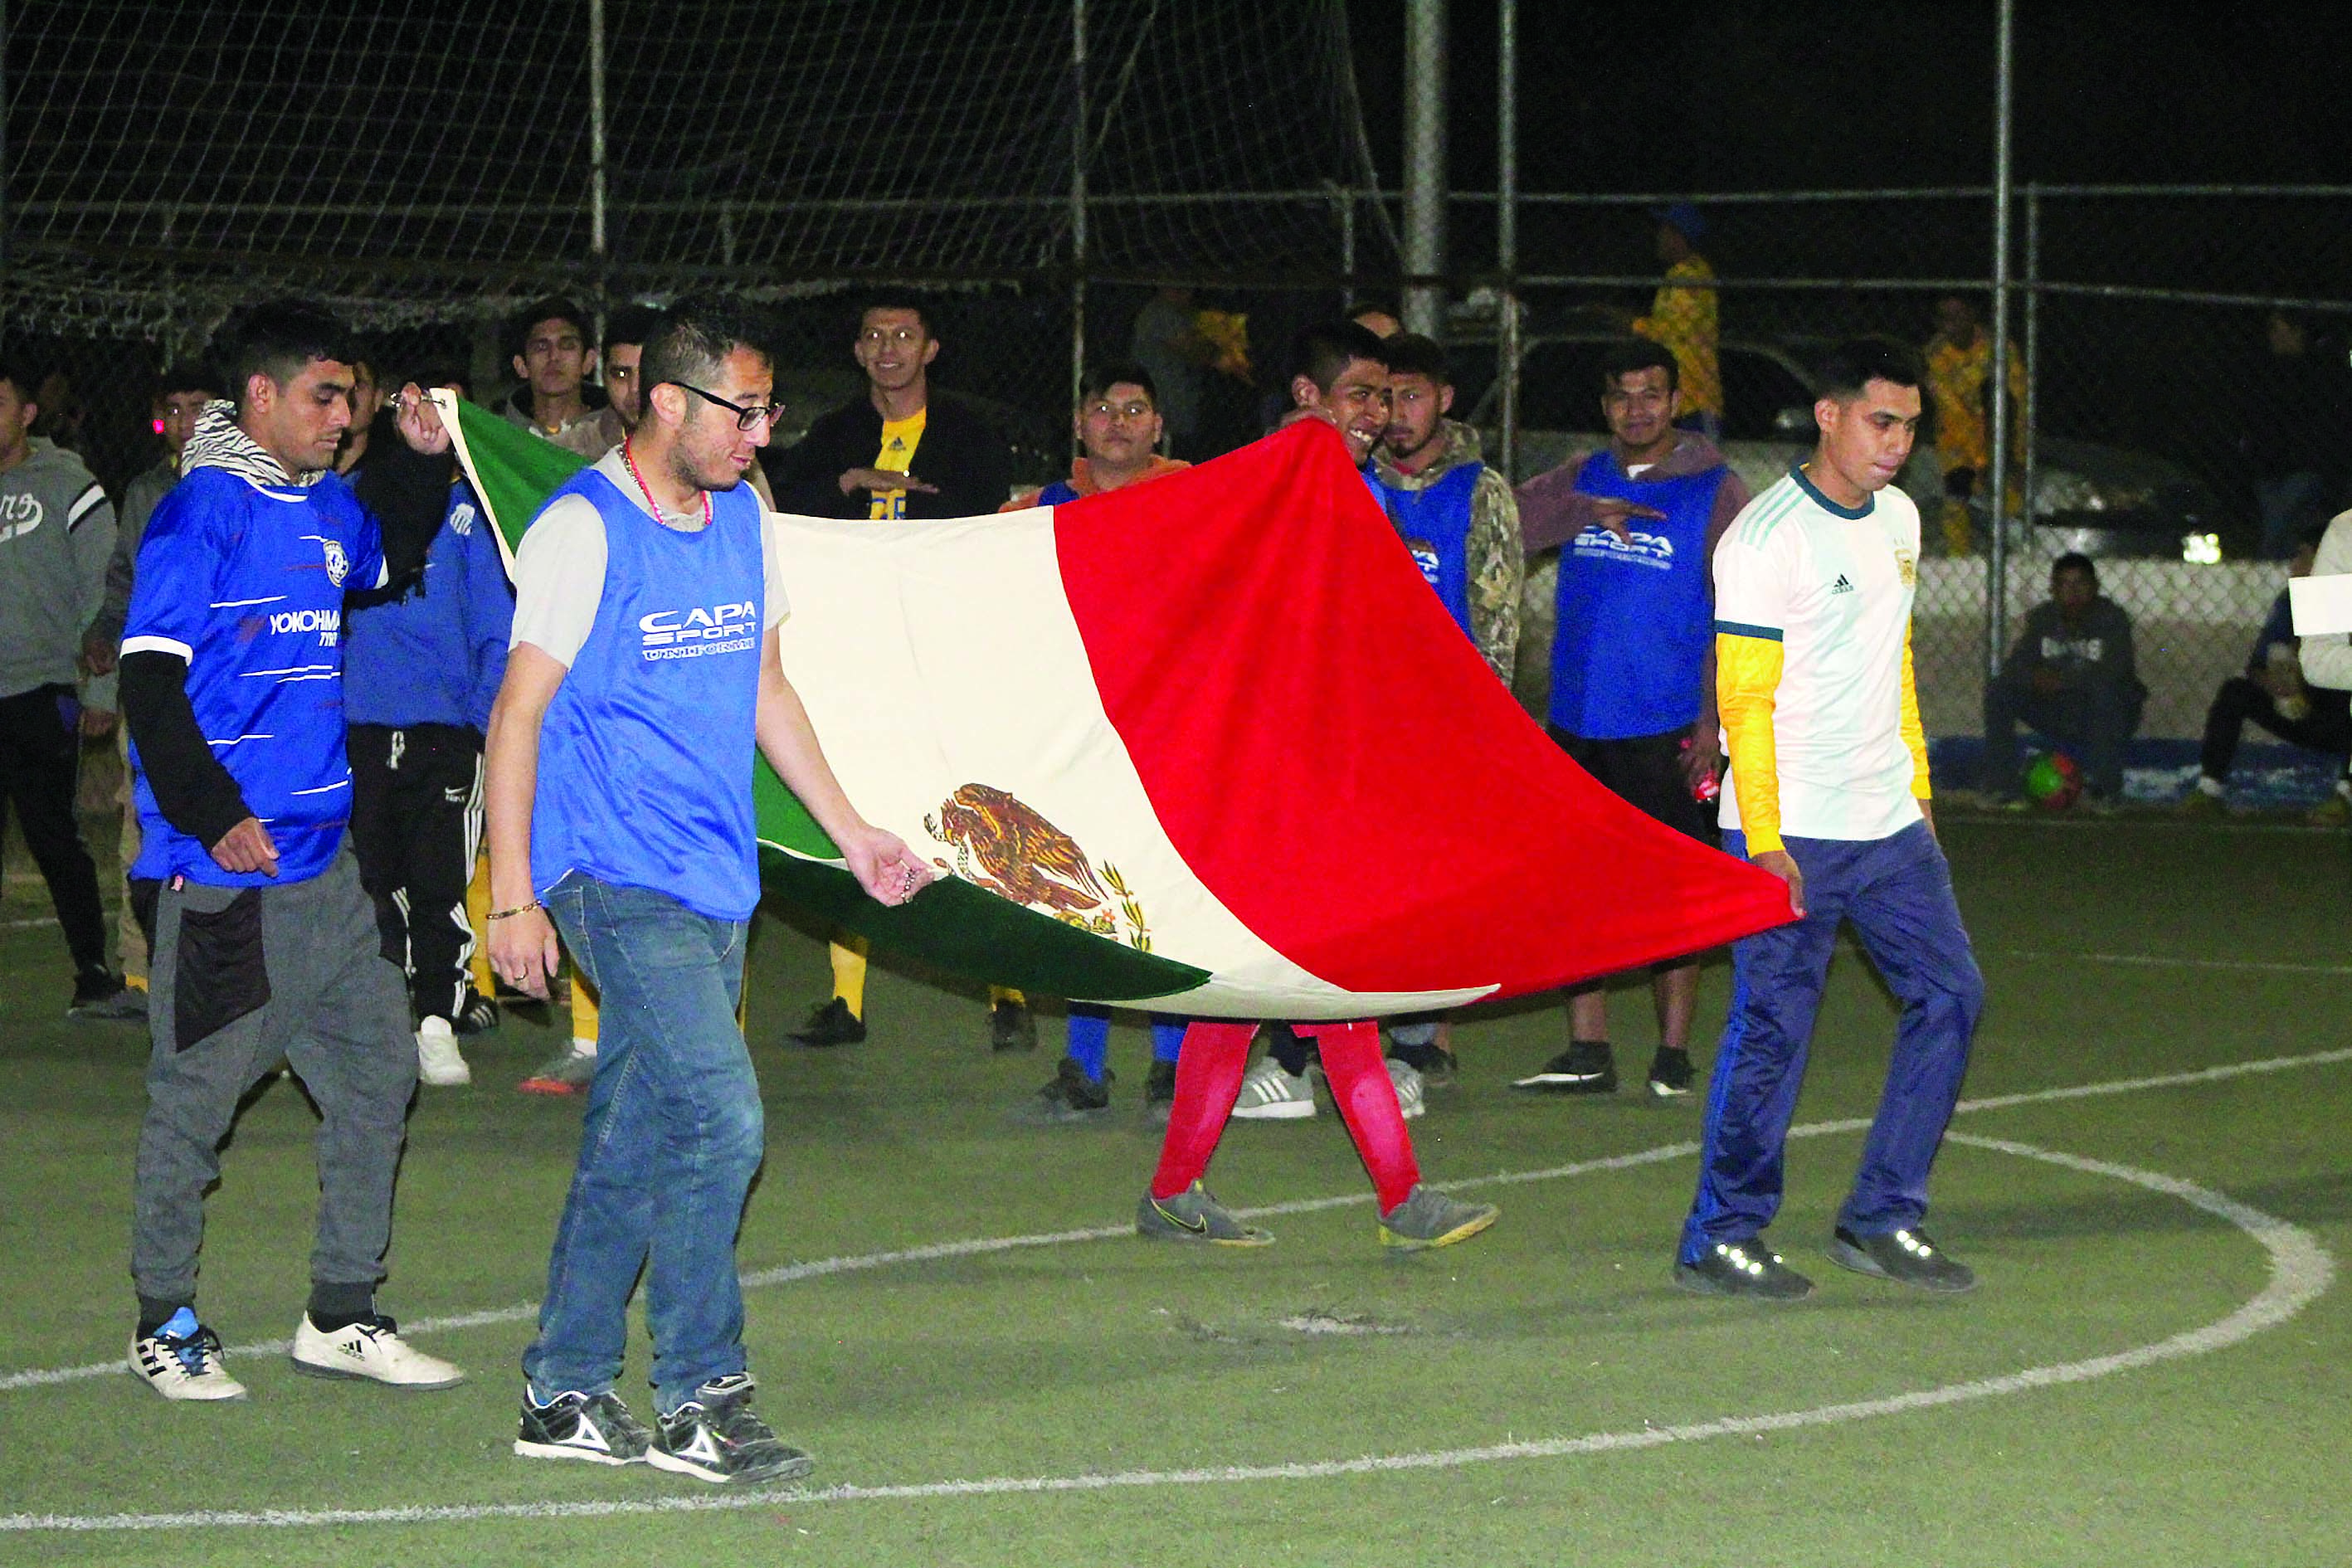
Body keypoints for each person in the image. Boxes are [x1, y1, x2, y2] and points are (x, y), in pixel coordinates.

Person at [485, 299, 928, 1483]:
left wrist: (854, 837)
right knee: (720, 1118)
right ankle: (699, 1395)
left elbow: (766, 689)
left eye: (768, 409)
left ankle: (563, 1387)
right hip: (609, 874)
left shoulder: (742, 517)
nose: (761, 433)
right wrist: (510, 893)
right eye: (744, 411)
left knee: (634, 1134)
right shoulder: (583, 529)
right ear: (668, 404)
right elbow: (516, 712)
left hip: (709, 875)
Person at [119, 298, 465, 1400]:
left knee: (376, 1078)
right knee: (193, 1107)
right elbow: (148, 679)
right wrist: (214, 808)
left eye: (352, 398)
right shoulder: (200, 513)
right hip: (225, 881)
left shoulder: (320, 505)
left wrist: (416, 466)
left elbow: (391, 557)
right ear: (260, 397)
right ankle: (164, 1320)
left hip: (324, 877)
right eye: (325, 396)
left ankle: (341, 1312)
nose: (342, 417)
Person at [1675, 337, 1984, 1301]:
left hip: (1888, 819)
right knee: (1772, 1030)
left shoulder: (1898, 518)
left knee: (1953, 996)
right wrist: (1763, 840)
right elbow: (1745, 704)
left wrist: (1919, 793)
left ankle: (1883, 1214)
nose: (1898, 446)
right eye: (1880, 423)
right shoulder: (1765, 540)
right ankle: (1720, 1235)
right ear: (1829, 416)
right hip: (1793, 825)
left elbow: (1891, 660)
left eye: (1909, 428)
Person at [767, 299, 1024, 1054]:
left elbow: (984, 528)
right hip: (853, 652)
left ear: (931, 348)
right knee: (854, 806)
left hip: (946, 652)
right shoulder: (831, 436)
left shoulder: (969, 436)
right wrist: (848, 483)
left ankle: (1006, 990)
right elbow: (788, 518)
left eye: (904, 336)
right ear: (855, 348)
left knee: (974, 803)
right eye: (874, 336)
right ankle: (844, 1001)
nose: (888, 348)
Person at [1512, 337, 1751, 1099]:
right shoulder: (1581, 477)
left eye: (1651, 394)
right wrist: (1583, 508)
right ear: (1604, 405)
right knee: (1579, 884)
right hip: (1579, 718)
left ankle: (1672, 1052)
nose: (1636, 410)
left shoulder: (1716, 489)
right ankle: (1588, 1048)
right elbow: (1503, 526)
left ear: (1675, 400)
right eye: (1621, 396)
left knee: (1670, 890)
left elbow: (1735, 611)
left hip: (1669, 721)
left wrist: (1712, 725)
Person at [1224, 322, 1428, 1127]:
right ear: (1308, 396)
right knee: (1307, 921)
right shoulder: (1277, 474)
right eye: (1361, 394)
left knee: (1337, 917)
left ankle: (1314, 1065)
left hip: (1340, 733)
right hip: (1287, 739)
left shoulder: (1361, 482)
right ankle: (1308, 1064)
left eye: (1385, 395)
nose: (1377, 412)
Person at [1001, 364, 1192, 1123]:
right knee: (1085, 895)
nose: (1118, 420)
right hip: (1074, 734)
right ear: (1080, 426)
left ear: (1158, 427)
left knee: (1169, 901)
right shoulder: (1039, 508)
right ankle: (1083, 1067)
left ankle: (1172, 1070)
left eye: (1136, 408)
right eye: (1103, 408)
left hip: (1168, 733)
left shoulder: (1193, 500)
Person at [1368, 332, 1522, 1082]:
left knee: (1434, 884)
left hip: (1442, 728)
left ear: (1445, 399)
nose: (1397, 413)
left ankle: (1421, 1037)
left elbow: (1497, 618)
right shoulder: (1349, 478)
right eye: (1385, 395)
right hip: (1359, 721)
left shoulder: (1480, 490)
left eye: (1414, 395)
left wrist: (1487, 734)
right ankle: (1339, 1031)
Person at [344, 450, 514, 1088]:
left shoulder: (470, 515)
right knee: (369, 883)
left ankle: (437, 1021)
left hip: (444, 735)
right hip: (357, 732)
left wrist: (472, 724)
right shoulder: (348, 501)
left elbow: (497, 634)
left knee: (439, 882)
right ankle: (385, 1019)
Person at [0, 353, 139, 1019]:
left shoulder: (68, 485)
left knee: (55, 837)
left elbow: (101, 591)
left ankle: (94, 975)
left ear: (27, 414)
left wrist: (100, 693)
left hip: (40, 689)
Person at [82, 364, 222, 999]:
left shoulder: (245, 484)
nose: (189, 423)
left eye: (201, 407)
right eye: (176, 409)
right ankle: (142, 970)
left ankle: (229, 962)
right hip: (154, 682)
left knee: (224, 810)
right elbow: (124, 581)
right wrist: (105, 632)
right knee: (141, 820)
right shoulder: (145, 491)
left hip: (223, 683)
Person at [2184, 524, 2352, 821]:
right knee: (2235, 691)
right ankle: (2209, 789)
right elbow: (2257, 666)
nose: (2294, 566)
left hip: (2339, 715)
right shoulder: (2290, 603)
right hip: (2297, 708)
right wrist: (2275, 684)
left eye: (2304, 556)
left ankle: (2346, 796)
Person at [1981, 553, 2145, 809]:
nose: (2073, 592)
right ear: (2053, 590)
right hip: (2053, 706)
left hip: (2099, 710)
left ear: (2095, 587)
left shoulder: (2112, 619)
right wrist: (2034, 677)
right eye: (2064, 585)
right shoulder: (2043, 619)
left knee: (2108, 693)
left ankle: (2106, 790)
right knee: (2000, 691)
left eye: (2081, 584)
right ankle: (2002, 787)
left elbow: (2116, 671)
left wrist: (2064, 680)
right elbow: (2015, 666)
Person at [1922, 295, 2026, 557]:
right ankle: (1960, 561)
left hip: (2003, 434)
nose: (1952, 324)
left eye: (1958, 316)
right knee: (1957, 499)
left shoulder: (1997, 348)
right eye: (1945, 318)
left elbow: (2017, 399)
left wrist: (2002, 452)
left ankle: (2013, 557)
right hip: (1958, 442)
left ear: (1972, 315)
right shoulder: (1935, 355)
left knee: (2010, 500)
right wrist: (1980, 460)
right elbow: (1953, 411)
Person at [2246, 312, 2352, 561]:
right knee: (2286, 533)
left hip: (2301, 468)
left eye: (2278, 328)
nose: (2273, 336)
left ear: (2297, 332)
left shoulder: (2318, 373)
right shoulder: (2269, 371)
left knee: (2281, 535)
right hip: (2273, 470)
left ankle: (2277, 580)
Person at [1633, 202, 1721, 439]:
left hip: (1693, 401)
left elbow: (1672, 330)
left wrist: (1630, 324)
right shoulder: (1679, 275)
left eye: (1664, 231)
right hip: (1680, 399)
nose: (1659, 238)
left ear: (1678, 236)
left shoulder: (1691, 276)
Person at [501, 298, 611, 458]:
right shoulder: (499, 440)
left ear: (588, 361)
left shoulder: (617, 438)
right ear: (521, 366)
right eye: (541, 347)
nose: (553, 357)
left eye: (567, 345)